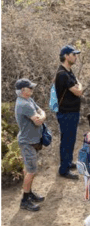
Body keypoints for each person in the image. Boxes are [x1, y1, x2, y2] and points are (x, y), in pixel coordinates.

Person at [14, 78, 47, 212]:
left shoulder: (28, 100)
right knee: (31, 171)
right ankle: (25, 200)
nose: (32, 89)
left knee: (28, 169)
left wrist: (42, 115)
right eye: (30, 88)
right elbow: (38, 121)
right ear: (23, 90)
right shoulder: (24, 104)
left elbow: (41, 111)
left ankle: (29, 193)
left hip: (30, 141)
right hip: (27, 142)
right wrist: (42, 117)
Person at [55, 44, 85, 180]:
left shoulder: (68, 71)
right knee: (67, 140)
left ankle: (68, 162)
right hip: (66, 113)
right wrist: (80, 86)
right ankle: (63, 169)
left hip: (71, 112)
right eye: (73, 54)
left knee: (70, 139)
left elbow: (77, 85)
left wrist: (79, 86)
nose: (76, 57)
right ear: (66, 56)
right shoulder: (62, 74)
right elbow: (78, 91)